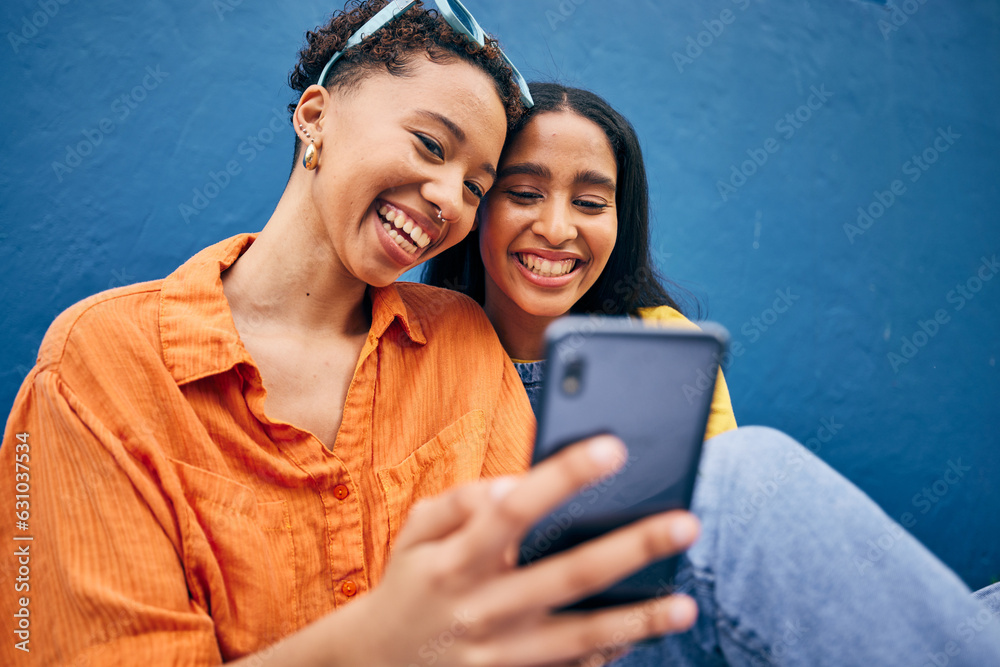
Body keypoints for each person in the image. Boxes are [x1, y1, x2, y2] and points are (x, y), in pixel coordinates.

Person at [0, 4, 704, 666]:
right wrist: (380, 640)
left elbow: (523, 611)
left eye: (474, 187)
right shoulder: (98, 365)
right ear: (315, 116)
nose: (446, 201)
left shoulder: (461, 340)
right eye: (430, 144)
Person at [426, 81, 1000, 665]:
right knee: (750, 466)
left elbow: (719, 544)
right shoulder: (417, 340)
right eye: (524, 193)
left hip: (663, 626)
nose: (556, 228)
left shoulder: (661, 341)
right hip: (516, 647)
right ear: (479, 203)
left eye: (592, 204)